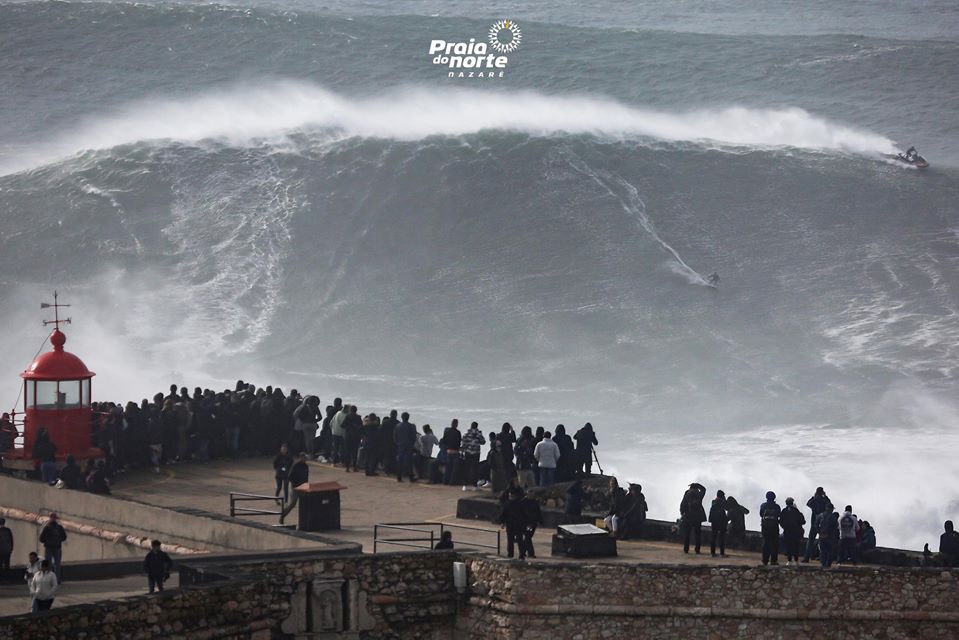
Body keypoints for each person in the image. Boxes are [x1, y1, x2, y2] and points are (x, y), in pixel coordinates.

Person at [497, 486, 528, 559]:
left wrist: (525, 524)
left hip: (518, 525)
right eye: (510, 496)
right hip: (510, 525)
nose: (510, 497)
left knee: (520, 540)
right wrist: (502, 522)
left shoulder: (520, 504)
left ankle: (521, 554)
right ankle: (510, 554)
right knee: (510, 541)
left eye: (512, 496)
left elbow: (524, 515)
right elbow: (503, 514)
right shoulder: (507, 504)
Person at [280, 452, 309, 524]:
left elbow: (306, 477)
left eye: (305, 458)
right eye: (304, 457)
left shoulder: (306, 466)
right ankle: (282, 515)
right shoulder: (295, 465)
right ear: (300, 457)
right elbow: (290, 477)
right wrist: (296, 484)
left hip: (303, 488)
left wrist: (305, 486)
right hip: (295, 488)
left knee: (305, 504)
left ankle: (304, 521)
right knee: (292, 503)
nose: (305, 459)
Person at [804, 487, 830, 563]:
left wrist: (813, 496)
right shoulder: (825, 500)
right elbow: (829, 503)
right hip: (823, 524)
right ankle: (822, 558)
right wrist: (825, 496)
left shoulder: (815, 500)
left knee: (810, 540)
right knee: (822, 541)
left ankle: (807, 557)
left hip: (814, 522)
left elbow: (808, 503)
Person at [680, 482, 707, 554]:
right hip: (698, 516)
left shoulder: (687, 493)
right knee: (697, 534)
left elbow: (683, 504)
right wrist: (699, 485)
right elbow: (704, 489)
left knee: (687, 534)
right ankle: (697, 549)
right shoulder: (699, 494)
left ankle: (686, 549)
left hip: (688, 516)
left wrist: (682, 512)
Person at [39, 513, 66, 582]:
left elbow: (41, 539)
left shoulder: (47, 527)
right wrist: (59, 540)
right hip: (57, 548)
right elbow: (64, 537)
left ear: (50, 518)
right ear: (56, 518)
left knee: (48, 564)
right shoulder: (59, 527)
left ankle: (49, 580)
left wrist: (47, 541)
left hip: (48, 548)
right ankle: (57, 580)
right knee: (57, 564)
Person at [780, 497, 806, 566]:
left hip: (787, 531)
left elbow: (781, 521)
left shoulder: (784, 511)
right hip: (796, 532)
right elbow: (803, 521)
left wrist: (785, 527)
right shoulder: (797, 511)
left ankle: (789, 560)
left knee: (789, 546)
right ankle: (796, 560)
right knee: (796, 547)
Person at [461, 422, 486, 490]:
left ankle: (465, 485)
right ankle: (475, 485)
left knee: (467, 469)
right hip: (476, 453)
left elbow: (463, 443)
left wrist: (463, 451)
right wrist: (480, 434)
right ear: (477, 427)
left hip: (467, 453)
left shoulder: (466, 434)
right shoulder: (478, 434)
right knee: (475, 469)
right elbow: (483, 442)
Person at [393, 412, 417, 482]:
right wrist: (411, 444)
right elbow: (413, 437)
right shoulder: (411, 426)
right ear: (408, 417)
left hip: (400, 446)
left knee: (400, 461)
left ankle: (399, 477)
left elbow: (395, 437)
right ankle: (411, 477)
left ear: (402, 417)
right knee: (409, 461)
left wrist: (398, 443)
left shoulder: (397, 426)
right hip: (408, 446)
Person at [759, 491, 781, 566]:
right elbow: (779, 515)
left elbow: (761, 514)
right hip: (774, 527)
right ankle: (773, 561)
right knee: (774, 544)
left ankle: (765, 560)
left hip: (765, 527)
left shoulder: (763, 505)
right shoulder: (777, 506)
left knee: (766, 544)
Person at [440, 419, 462, 486]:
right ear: (456, 424)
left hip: (449, 451)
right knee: (454, 469)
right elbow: (459, 442)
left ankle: (445, 481)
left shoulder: (447, 432)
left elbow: (443, 441)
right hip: (455, 451)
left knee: (448, 468)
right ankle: (452, 482)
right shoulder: (458, 432)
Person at [818, 503, 839, 568]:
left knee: (823, 551)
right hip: (830, 536)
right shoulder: (833, 517)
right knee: (830, 551)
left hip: (821, 536)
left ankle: (823, 564)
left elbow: (816, 525)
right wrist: (831, 534)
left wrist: (819, 532)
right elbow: (836, 527)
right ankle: (828, 564)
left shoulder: (820, 515)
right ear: (832, 509)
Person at [342, 405, 363, 472]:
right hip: (356, 437)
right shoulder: (359, 417)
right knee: (355, 452)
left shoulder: (347, 416)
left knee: (347, 452)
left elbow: (342, 425)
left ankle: (347, 467)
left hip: (348, 436)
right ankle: (354, 467)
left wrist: (348, 427)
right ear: (356, 410)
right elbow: (361, 427)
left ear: (350, 410)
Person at [521, 493, 542, 558]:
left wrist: (540, 520)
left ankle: (523, 551)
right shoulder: (523, 502)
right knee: (528, 537)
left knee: (528, 537)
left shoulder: (535, 502)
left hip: (532, 523)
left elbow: (538, 512)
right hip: (527, 523)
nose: (531, 496)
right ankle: (531, 553)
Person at [708, 490, 728, 557]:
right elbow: (727, 508)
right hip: (721, 521)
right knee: (722, 538)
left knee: (713, 537)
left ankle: (712, 552)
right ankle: (722, 553)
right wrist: (724, 500)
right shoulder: (722, 502)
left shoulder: (714, 502)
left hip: (714, 521)